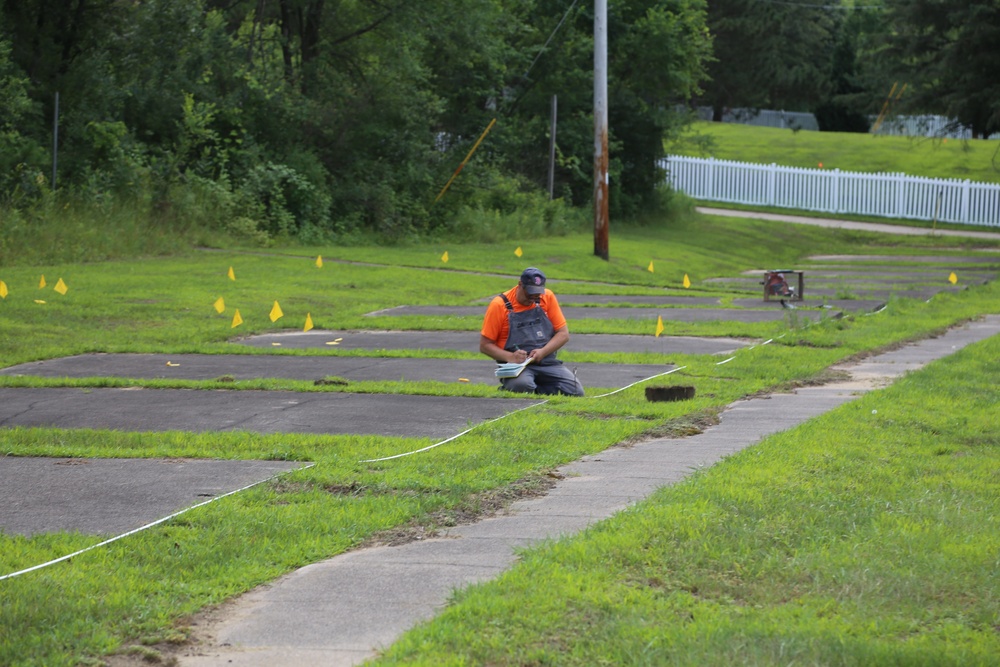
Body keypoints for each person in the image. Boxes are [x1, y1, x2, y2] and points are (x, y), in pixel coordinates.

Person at [479, 267, 585, 396]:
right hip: (517, 366)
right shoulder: (499, 305)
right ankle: (518, 386)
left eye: (537, 296)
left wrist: (543, 352)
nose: (533, 299)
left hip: (546, 361)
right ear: (520, 285)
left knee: (576, 392)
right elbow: (485, 345)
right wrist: (510, 357)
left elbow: (563, 334)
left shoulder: (548, 297)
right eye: (530, 294)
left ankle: (538, 388)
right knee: (522, 385)